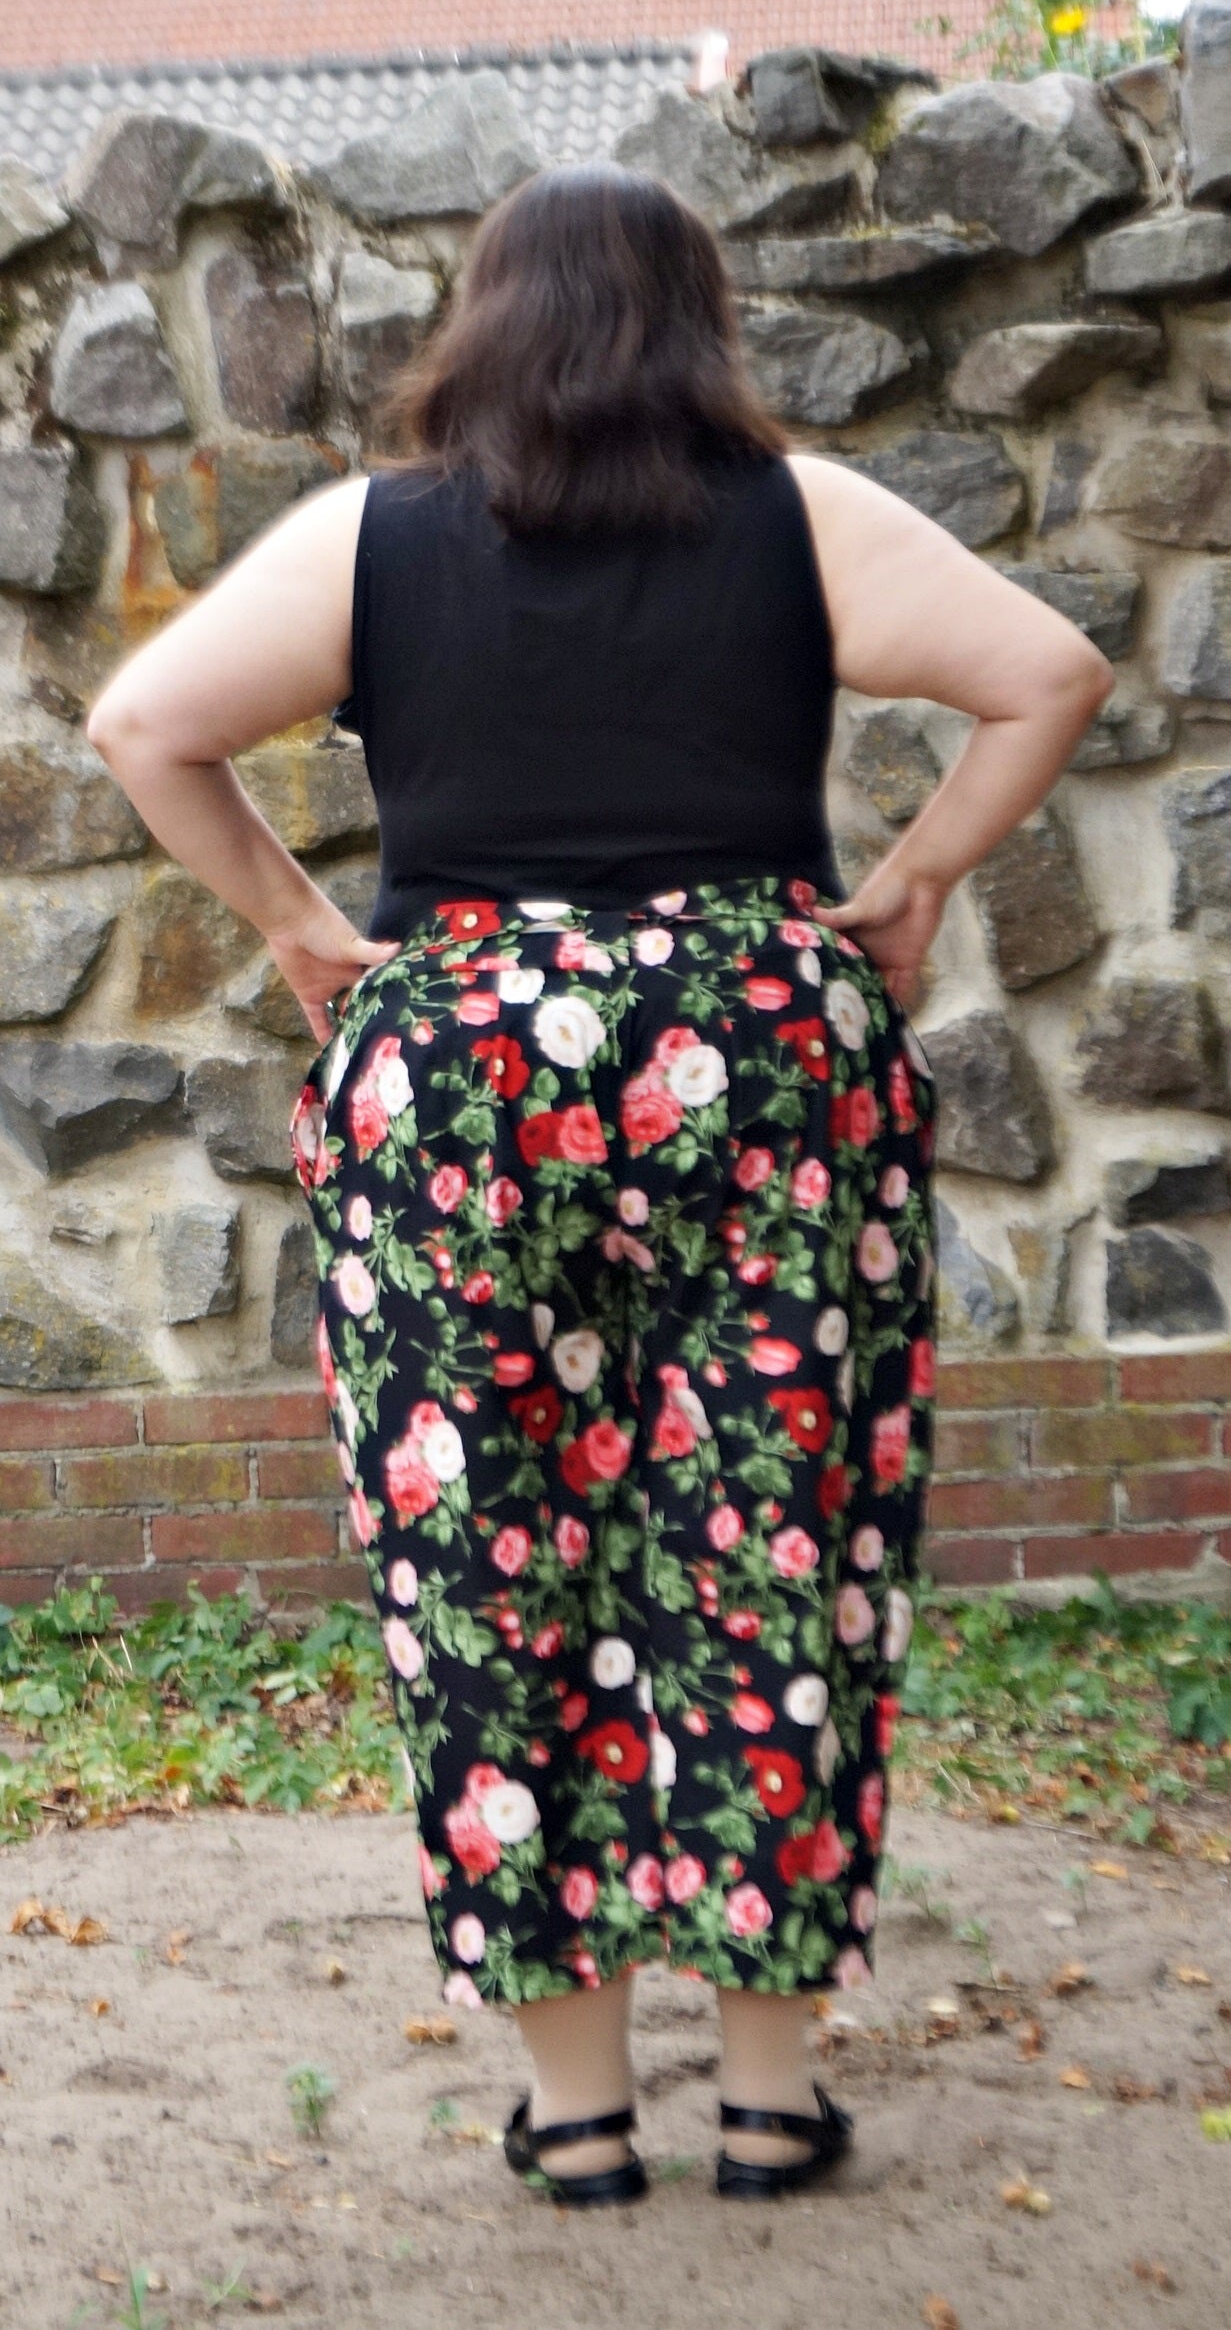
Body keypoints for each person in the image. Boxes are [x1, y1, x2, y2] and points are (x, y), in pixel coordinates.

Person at [86, 160, 1114, 2208]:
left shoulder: (373, 536)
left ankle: (576, 2114)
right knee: (774, 1544)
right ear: (697, 322)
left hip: (457, 1074)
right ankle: (767, 2099)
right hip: (766, 1060)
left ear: (483, 322)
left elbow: (142, 721)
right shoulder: (804, 517)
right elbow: (1052, 673)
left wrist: (299, 924)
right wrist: (913, 882)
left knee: (486, 1560)